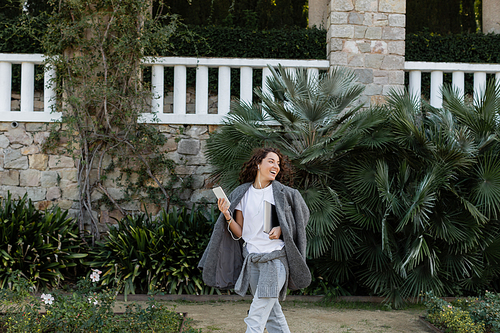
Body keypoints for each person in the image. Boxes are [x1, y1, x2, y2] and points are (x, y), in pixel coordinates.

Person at [199, 147, 311, 333]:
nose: (276, 166)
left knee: (256, 315)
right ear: (258, 163)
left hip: (275, 262)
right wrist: (227, 215)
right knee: (273, 314)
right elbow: (240, 232)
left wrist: (282, 229)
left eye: (278, 164)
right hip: (252, 262)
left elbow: (303, 217)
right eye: (271, 161)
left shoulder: (285, 193)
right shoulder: (243, 193)